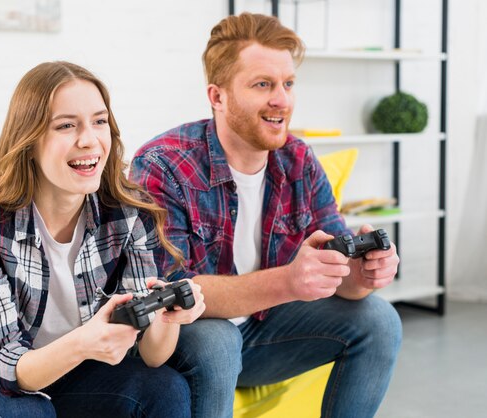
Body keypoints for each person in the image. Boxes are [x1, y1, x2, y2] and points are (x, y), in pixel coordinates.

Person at [129, 13, 402, 418]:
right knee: (216, 341)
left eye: (288, 84)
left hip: (267, 333)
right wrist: (289, 281)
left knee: (380, 319)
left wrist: (360, 277)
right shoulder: (163, 164)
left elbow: (337, 269)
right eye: (263, 85)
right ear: (217, 96)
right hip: (189, 339)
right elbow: (169, 290)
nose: (282, 100)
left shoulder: (299, 160)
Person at [0, 61, 205, 418]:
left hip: (80, 376)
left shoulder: (129, 214)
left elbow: (152, 355)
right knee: (28, 414)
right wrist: (82, 344)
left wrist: (170, 318)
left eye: (99, 121)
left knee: (165, 388)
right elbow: (5, 368)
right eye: (66, 125)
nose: (89, 140)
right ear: (28, 140)